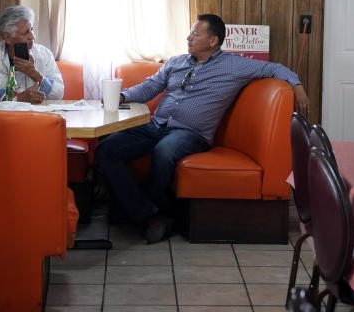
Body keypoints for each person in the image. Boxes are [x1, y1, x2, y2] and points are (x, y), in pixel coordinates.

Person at [95, 13, 310, 243]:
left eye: (195, 34)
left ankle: (150, 214)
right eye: (190, 33)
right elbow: (150, 87)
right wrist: (121, 96)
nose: (188, 38)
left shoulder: (234, 65)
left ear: (213, 41)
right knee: (106, 149)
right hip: (155, 124)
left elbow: (276, 69)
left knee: (164, 152)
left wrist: (296, 86)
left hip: (189, 132)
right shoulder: (175, 62)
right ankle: (150, 215)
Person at [0, 5, 64, 102]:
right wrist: (18, 97)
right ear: (8, 38)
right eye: (25, 33)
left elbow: (59, 94)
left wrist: (34, 74)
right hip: (4, 115)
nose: (32, 37)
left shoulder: (44, 54)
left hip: (37, 113)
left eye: (32, 29)